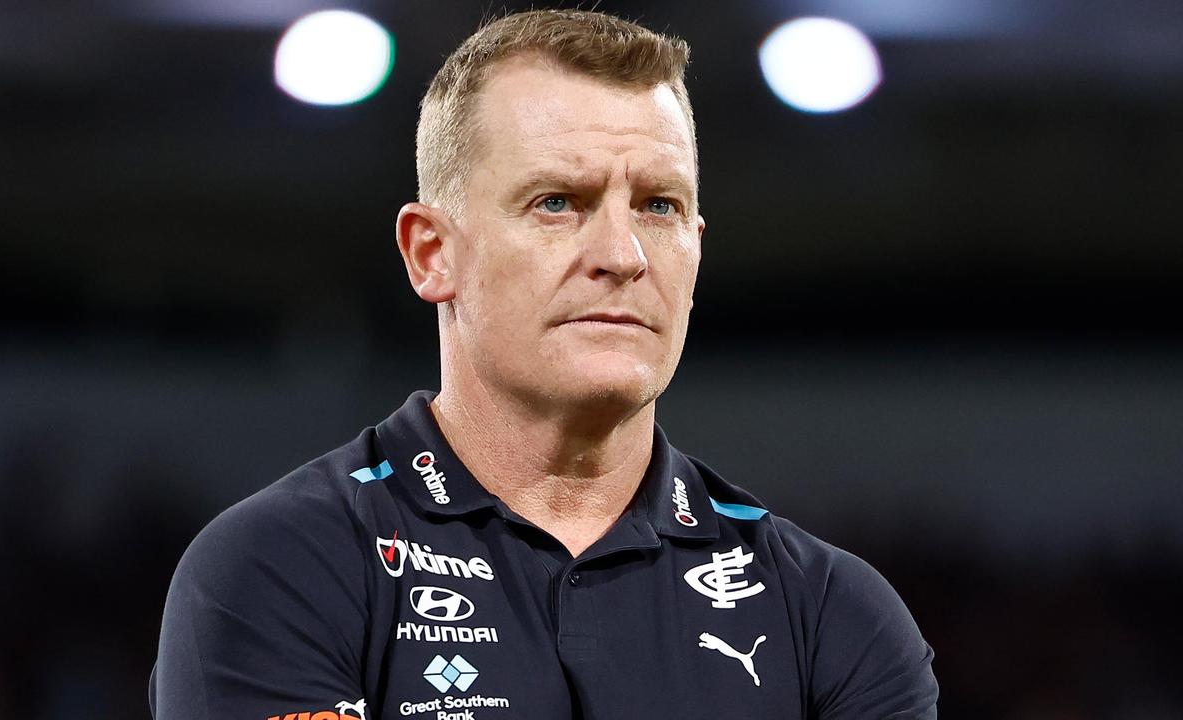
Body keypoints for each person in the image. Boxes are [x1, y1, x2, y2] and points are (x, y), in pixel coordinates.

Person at [151, 9, 938, 719]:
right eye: (558, 202)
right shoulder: (279, 569)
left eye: (659, 206)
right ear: (432, 253)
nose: (623, 256)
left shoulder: (831, 612)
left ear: (697, 247)